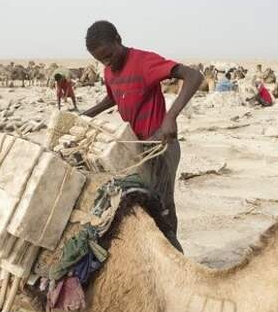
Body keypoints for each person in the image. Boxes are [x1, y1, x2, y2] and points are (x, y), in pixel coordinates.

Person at [82, 20, 203, 252]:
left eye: (108, 55)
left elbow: (193, 76)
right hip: (138, 149)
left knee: (163, 208)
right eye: (101, 60)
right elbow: (113, 97)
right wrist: (86, 114)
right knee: (143, 205)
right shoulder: (109, 71)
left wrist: (170, 117)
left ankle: (176, 259)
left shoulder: (143, 62)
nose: (107, 63)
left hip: (160, 146)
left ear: (118, 40)